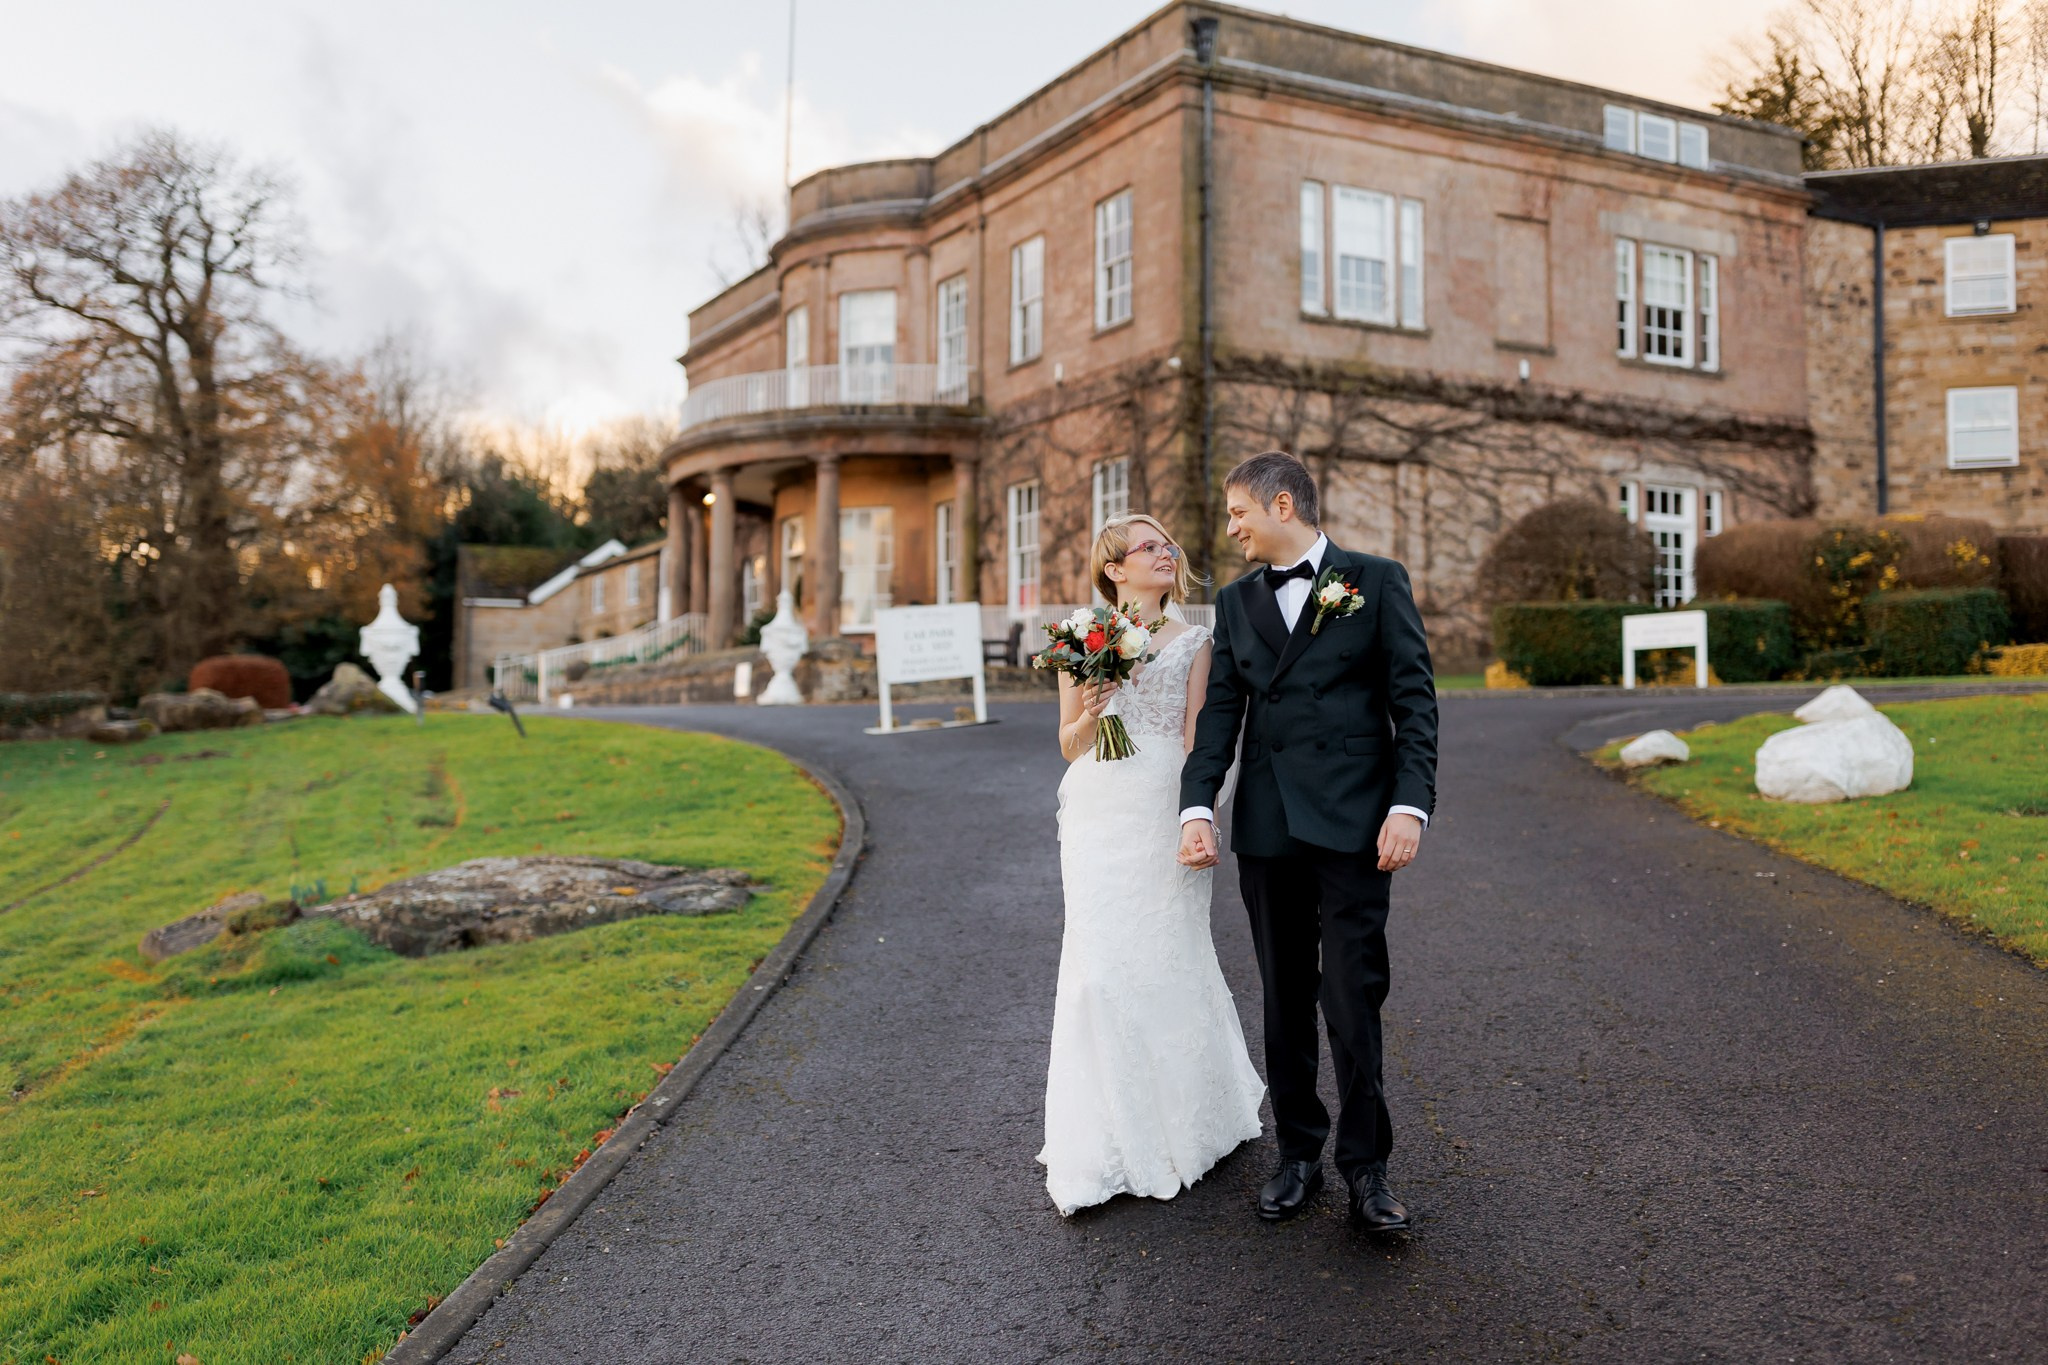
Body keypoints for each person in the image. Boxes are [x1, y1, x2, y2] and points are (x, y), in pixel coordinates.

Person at [1178, 451, 1438, 1233]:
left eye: (1238, 513)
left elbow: (1415, 704)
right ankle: (1298, 1154)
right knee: (1284, 996)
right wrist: (1197, 804)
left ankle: (1368, 1167)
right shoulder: (1234, 601)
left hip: (1359, 822)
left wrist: (1410, 806)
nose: (1231, 528)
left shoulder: (1376, 580)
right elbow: (1221, 712)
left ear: (1282, 503)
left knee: (1353, 993)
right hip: (1267, 825)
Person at [1039, 514, 1265, 1216]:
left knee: (1170, 954)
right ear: (1114, 568)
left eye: (1169, 547)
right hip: (1100, 813)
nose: (1165, 555)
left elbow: (1202, 734)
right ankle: (1107, 1131)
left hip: (1166, 802)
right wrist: (1094, 706)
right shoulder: (1082, 637)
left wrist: (1202, 812)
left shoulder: (1196, 640)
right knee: (1100, 967)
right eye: (1149, 548)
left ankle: (1191, 1120)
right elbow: (1070, 743)